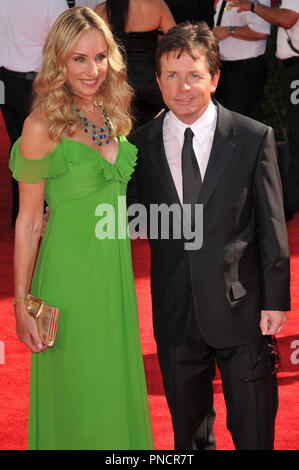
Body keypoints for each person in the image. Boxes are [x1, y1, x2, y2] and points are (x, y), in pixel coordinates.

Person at [127, 21, 290, 450]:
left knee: (254, 430)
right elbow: (131, 217)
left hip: (243, 309)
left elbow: (271, 224)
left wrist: (275, 300)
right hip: (175, 314)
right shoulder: (139, 145)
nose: (183, 87)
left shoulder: (253, 137)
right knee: (190, 438)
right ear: (158, 80)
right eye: (172, 75)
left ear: (214, 78)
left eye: (194, 74)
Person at [9, 6, 153, 450]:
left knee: (112, 385)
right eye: (79, 59)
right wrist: (20, 302)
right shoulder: (40, 126)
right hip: (68, 281)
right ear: (59, 61)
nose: (92, 70)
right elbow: (30, 221)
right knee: (77, 397)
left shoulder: (114, 116)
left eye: (100, 57)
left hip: (112, 278)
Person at [0, 0, 69, 227]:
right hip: (40, 86)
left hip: (7, 83)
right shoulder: (51, 2)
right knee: (47, 152)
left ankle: (21, 215)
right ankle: (43, 217)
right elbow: (66, 42)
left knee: (18, 148)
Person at [229, 1, 299, 221]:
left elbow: (288, 19)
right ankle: (291, 201)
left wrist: (252, 7)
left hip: (296, 69)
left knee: (298, 136)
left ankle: (290, 202)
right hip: (292, 70)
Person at [95, 0, 175, 129]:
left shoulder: (102, 10)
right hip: (150, 83)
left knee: (120, 137)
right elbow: (178, 44)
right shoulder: (157, 6)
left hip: (116, 85)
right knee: (153, 139)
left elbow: (94, 49)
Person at [212, 0, 271, 121]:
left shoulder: (258, 1)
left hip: (245, 70)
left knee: (242, 124)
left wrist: (230, 30)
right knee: (224, 122)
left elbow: (261, 31)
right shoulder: (221, 2)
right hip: (223, 68)